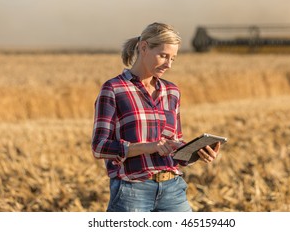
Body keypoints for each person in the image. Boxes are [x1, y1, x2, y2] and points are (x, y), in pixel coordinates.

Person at [91, 22, 221, 212]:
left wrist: (195, 153)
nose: (168, 64)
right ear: (144, 48)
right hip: (132, 191)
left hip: (173, 190)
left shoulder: (172, 91)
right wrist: (148, 147)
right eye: (163, 56)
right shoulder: (113, 89)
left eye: (173, 59)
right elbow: (99, 147)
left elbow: (174, 143)